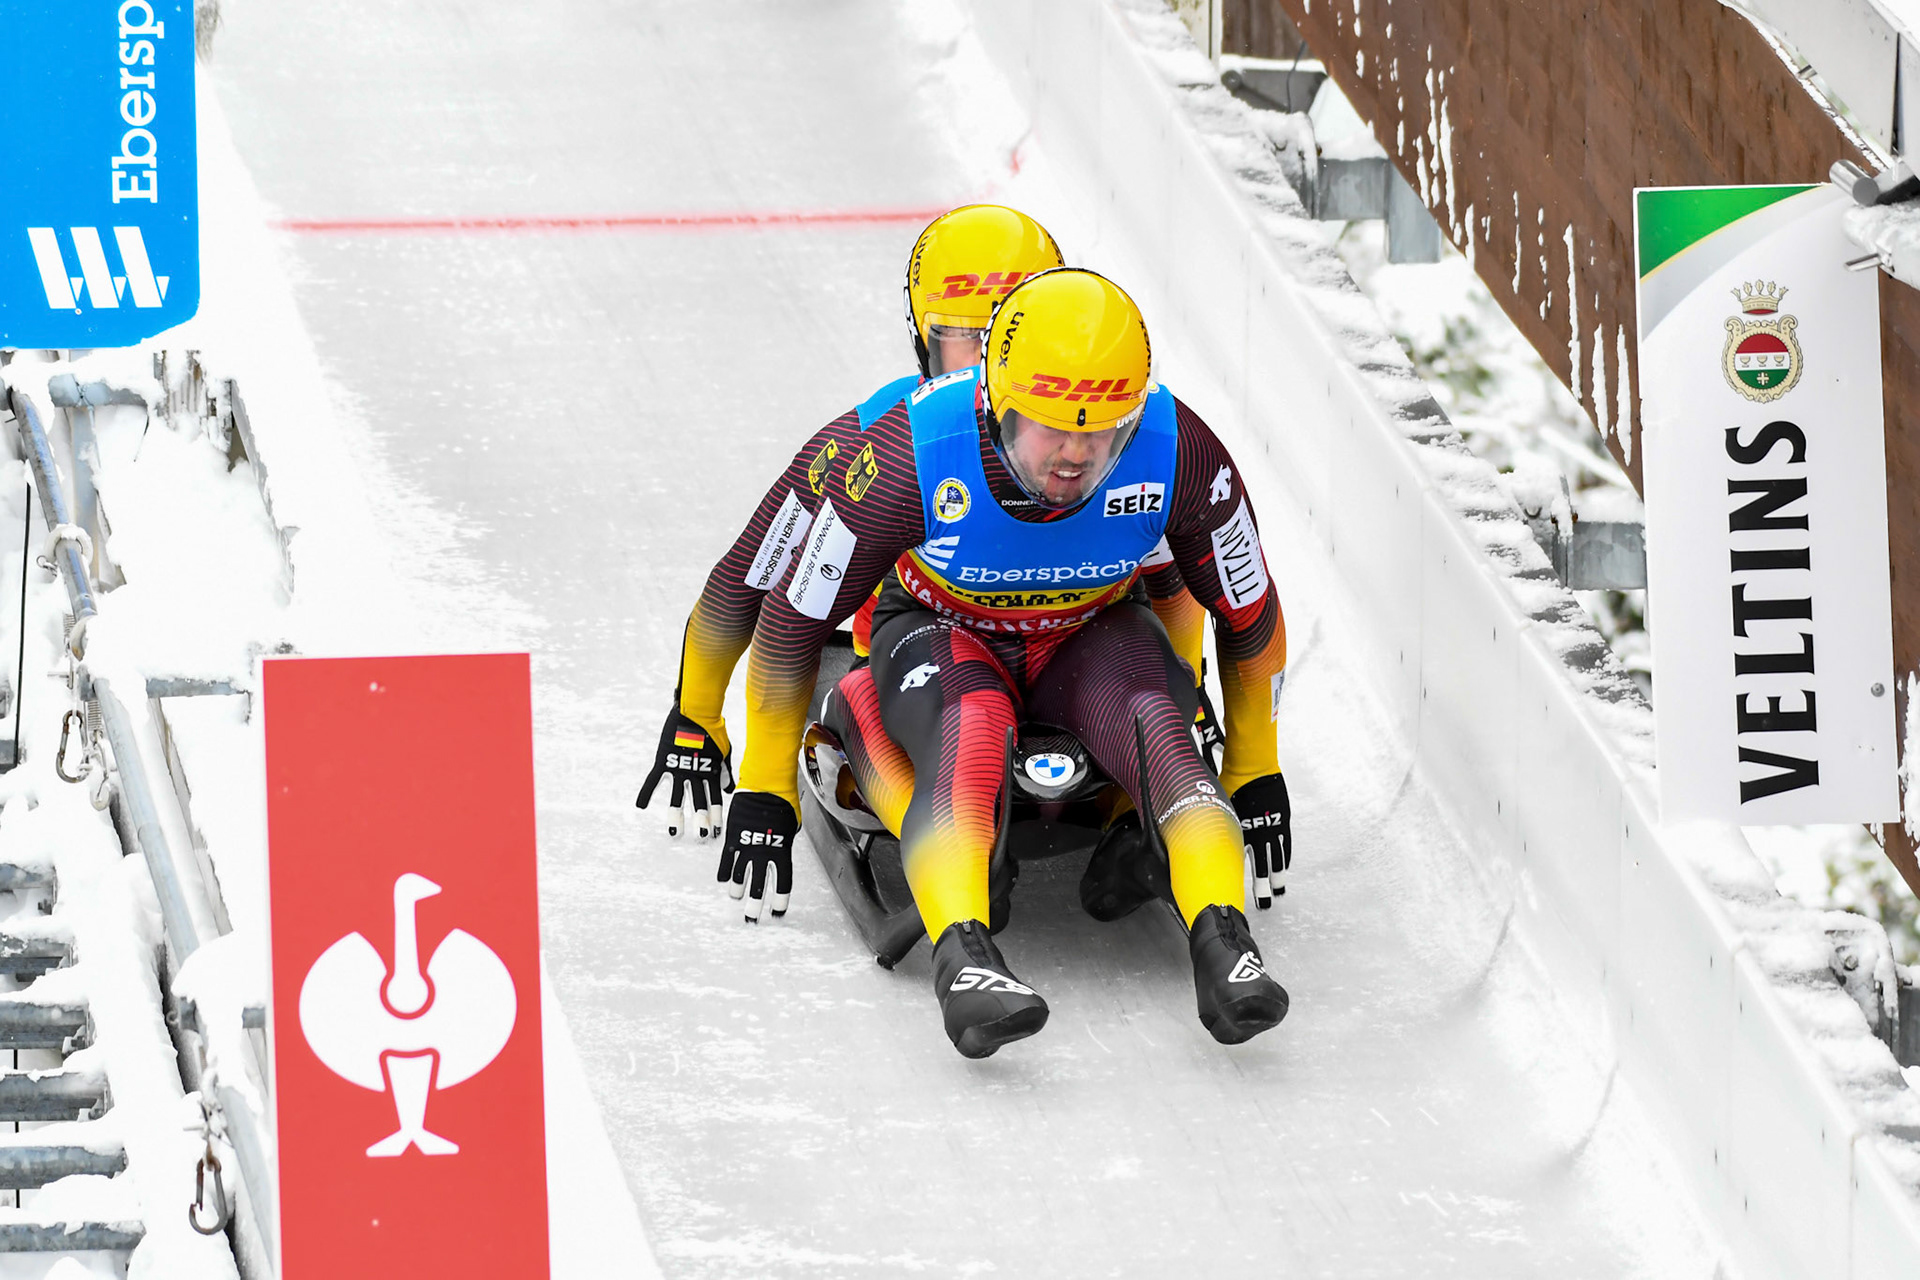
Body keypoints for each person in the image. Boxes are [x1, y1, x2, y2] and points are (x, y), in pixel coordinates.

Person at [640, 253, 1292, 1057]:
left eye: (1102, 435)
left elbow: (1248, 612)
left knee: (1160, 716)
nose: (1073, 458)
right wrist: (752, 775)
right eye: (1048, 426)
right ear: (993, 402)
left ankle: (1223, 936)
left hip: (1085, 634)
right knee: (972, 724)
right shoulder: (906, 451)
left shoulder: (1177, 449)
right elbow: (786, 612)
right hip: (944, 635)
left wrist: (1256, 766)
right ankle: (966, 956)